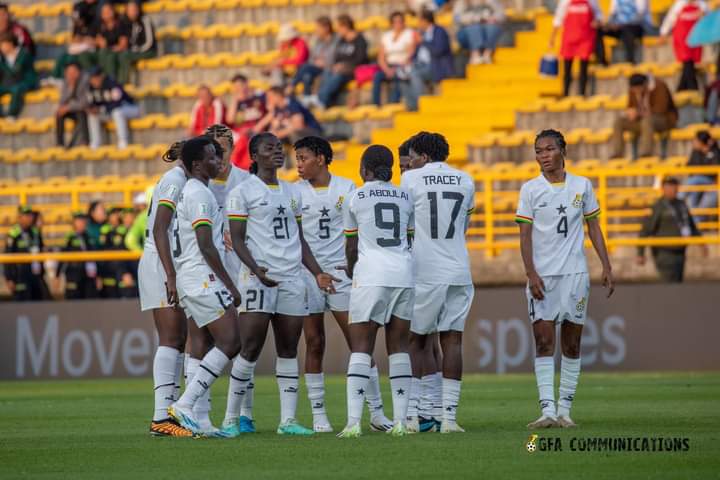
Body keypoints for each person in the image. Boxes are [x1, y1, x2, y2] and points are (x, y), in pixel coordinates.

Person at [220, 133, 336, 437]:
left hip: (292, 278)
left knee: (288, 349)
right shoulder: (243, 192)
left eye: (278, 148)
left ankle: (287, 421)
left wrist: (317, 272)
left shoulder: (291, 192)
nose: (277, 153)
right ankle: (231, 419)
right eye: (269, 148)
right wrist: (255, 269)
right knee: (250, 348)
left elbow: (299, 238)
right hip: (259, 278)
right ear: (254, 156)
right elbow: (238, 238)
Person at [515, 129, 615, 429]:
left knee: (571, 344)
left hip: (575, 275)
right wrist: (530, 272)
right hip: (543, 277)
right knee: (543, 341)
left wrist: (606, 265)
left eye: (548, 149)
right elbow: (524, 234)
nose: (543, 155)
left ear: (563, 151)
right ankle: (547, 410)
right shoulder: (530, 189)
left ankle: (564, 411)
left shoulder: (582, 186)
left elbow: (593, 226)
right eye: (538, 151)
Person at [293, 136, 393, 433]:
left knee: (358, 343)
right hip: (308, 275)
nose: (298, 164)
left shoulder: (347, 188)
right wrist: (313, 273)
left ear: (321, 158)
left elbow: (358, 232)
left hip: (341, 276)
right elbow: (294, 238)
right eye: (296, 158)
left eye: (303, 158)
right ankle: (319, 416)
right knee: (314, 343)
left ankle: (376, 413)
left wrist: (353, 268)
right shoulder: (293, 192)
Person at [337, 145, 415, 439]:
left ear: (365, 169)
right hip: (403, 274)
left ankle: (353, 423)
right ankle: (399, 422)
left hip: (370, 275)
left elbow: (352, 246)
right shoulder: (406, 196)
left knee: (361, 347)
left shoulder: (355, 196)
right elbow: (409, 238)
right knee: (398, 347)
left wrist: (350, 267)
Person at [168, 136, 244, 436]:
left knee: (201, 344)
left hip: (189, 275)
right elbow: (205, 245)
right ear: (197, 164)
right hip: (202, 277)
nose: (219, 160)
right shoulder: (200, 194)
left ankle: (200, 420)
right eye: (213, 156)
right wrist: (230, 284)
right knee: (231, 342)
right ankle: (185, 404)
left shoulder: (190, 191)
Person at [401, 132, 475, 434]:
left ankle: (415, 415)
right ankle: (448, 418)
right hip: (459, 267)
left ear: (424, 157)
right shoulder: (466, 179)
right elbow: (464, 226)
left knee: (416, 340)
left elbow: (405, 225)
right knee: (453, 340)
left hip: (425, 268)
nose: (410, 163)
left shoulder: (410, 180)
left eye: (413, 157)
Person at [186, 124, 250, 434]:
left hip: (238, 270)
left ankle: (238, 415)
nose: (218, 156)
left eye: (221, 149)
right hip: (209, 273)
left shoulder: (246, 182)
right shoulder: (198, 188)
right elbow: (203, 241)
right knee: (218, 340)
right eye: (212, 149)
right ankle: (193, 411)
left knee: (240, 342)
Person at [138, 141, 193, 437]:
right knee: (171, 337)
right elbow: (161, 227)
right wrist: (170, 274)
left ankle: (170, 413)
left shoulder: (183, 180)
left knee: (179, 338)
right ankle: (161, 417)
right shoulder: (175, 179)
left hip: (170, 261)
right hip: (161, 261)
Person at [637, 177, 704, 282]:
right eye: (669, 186)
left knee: (678, 283)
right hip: (664, 254)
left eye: (674, 185)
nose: (672, 189)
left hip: (680, 252)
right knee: (668, 284)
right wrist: (640, 253)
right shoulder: (657, 206)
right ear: (663, 188)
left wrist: (702, 243)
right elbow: (645, 230)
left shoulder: (681, 205)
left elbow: (691, 226)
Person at [610, 74, 678, 159]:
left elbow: (661, 109)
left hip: (663, 120)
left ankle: (646, 152)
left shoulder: (659, 86)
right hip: (642, 121)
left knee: (647, 121)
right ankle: (617, 153)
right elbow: (630, 106)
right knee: (619, 122)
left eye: (638, 89)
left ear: (645, 85)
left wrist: (639, 113)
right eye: (634, 90)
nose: (636, 91)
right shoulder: (632, 91)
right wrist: (631, 113)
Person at [550, 0, 603, 97]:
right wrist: (552, 38)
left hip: (585, 39)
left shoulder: (591, 1)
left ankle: (582, 93)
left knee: (583, 68)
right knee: (567, 68)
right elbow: (558, 18)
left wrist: (597, 22)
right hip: (570, 38)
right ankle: (565, 93)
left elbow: (599, 15)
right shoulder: (565, 1)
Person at [315, 14, 368, 108]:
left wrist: (344, 65)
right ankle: (325, 101)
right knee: (327, 71)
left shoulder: (360, 40)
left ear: (345, 27)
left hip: (353, 70)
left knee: (337, 76)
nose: (337, 30)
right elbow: (337, 57)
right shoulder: (342, 40)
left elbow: (361, 59)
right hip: (339, 68)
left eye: (339, 27)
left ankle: (321, 99)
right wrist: (336, 65)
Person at [407, 9, 454, 111]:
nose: (418, 24)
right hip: (419, 64)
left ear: (425, 21)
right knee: (402, 74)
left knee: (414, 74)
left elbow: (438, 51)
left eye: (419, 21)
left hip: (436, 65)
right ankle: (411, 105)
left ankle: (420, 105)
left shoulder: (439, 32)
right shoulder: (421, 33)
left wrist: (423, 42)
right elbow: (415, 53)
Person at [3, 206, 51, 301]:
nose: (30, 218)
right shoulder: (13, 234)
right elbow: (7, 257)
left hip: (35, 275)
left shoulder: (35, 232)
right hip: (20, 275)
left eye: (31, 215)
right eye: (27, 215)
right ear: (20, 217)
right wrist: (9, 278)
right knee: (22, 302)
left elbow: (41, 250)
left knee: (39, 301)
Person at [86, 67, 140, 149]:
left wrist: (100, 109)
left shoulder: (111, 83)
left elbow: (117, 103)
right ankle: (95, 143)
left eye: (96, 77)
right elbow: (91, 103)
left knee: (117, 112)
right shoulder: (90, 87)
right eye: (92, 78)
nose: (94, 80)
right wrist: (91, 109)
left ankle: (123, 141)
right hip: (110, 112)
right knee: (92, 115)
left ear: (102, 76)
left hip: (129, 108)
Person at [660, 0, 708, 91]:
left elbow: (709, 19)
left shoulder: (702, 5)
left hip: (696, 36)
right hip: (682, 36)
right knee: (687, 60)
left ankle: (682, 88)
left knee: (690, 62)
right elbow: (670, 18)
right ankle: (693, 87)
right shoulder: (679, 4)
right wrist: (664, 32)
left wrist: (703, 16)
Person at [372, 12, 416, 106]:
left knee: (398, 76)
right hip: (389, 65)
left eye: (400, 21)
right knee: (377, 77)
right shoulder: (386, 36)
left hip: (402, 65)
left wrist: (398, 67)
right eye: (395, 22)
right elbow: (381, 57)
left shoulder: (408, 34)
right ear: (392, 23)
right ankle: (376, 104)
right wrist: (387, 70)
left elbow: (411, 53)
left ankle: (393, 103)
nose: (398, 24)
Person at [289, 16, 337, 100]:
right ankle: (307, 99)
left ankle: (292, 85)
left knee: (304, 67)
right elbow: (312, 57)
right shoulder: (318, 41)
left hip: (329, 67)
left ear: (326, 28)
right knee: (307, 76)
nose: (316, 31)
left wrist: (325, 62)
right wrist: (315, 62)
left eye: (318, 28)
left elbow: (337, 56)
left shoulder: (336, 41)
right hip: (315, 67)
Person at [254, 86, 322, 144]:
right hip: (298, 134)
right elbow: (273, 128)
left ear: (277, 96)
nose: (268, 100)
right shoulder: (278, 108)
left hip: (312, 132)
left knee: (293, 133)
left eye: (270, 97)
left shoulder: (291, 103)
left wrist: (278, 134)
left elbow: (298, 125)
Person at [226, 74, 266, 170]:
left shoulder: (259, 96)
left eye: (241, 86)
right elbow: (230, 119)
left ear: (246, 84)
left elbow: (271, 113)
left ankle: (238, 167)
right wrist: (235, 100)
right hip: (240, 131)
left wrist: (257, 128)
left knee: (246, 139)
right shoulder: (237, 102)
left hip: (256, 129)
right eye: (236, 87)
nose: (239, 89)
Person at [56, 212, 98, 300]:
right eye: (79, 221)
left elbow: (94, 256)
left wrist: (98, 275)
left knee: (89, 299)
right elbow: (62, 257)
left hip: (88, 274)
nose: (82, 223)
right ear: (74, 222)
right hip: (73, 273)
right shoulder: (69, 238)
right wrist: (57, 275)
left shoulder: (88, 237)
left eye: (83, 221)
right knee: (73, 299)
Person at [595, 0, 651, 65]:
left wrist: (621, 25)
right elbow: (613, 13)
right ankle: (602, 61)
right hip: (620, 27)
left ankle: (630, 61)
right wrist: (609, 25)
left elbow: (641, 15)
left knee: (627, 29)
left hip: (638, 27)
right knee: (599, 30)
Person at [454, 0, 505, 65]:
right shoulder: (462, 2)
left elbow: (501, 15)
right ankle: (475, 54)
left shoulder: (491, 1)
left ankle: (487, 54)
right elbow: (456, 18)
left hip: (486, 32)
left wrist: (492, 18)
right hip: (466, 34)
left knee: (493, 28)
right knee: (474, 27)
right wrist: (473, 18)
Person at [0, 32, 38, 119]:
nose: (1, 48)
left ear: (9, 44)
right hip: (7, 85)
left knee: (17, 89)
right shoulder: (3, 58)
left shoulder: (24, 55)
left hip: (23, 83)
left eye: (2, 45)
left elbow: (27, 74)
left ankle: (11, 114)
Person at [683, 130, 719, 217]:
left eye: (696, 140)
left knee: (696, 180)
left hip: (712, 184)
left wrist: (707, 153)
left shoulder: (715, 152)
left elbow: (713, 172)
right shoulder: (695, 152)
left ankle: (680, 195)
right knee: (692, 197)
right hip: (697, 184)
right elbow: (689, 166)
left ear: (702, 141)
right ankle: (695, 224)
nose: (693, 142)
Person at [120, 0, 156, 84]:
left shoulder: (145, 19)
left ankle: (123, 83)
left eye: (134, 9)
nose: (133, 12)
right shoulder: (125, 22)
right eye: (130, 10)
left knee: (125, 56)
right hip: (134, 51)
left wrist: (135, 49)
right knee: (118, 55)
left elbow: (149, 42)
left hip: (148, 51)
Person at [56, 62, 90, 148]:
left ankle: (85, 141)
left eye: (73, 72)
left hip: (85, 110)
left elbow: (84, 102)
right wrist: (71, 88)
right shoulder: (66, 82)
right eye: (68, 73)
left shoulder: (85, 80)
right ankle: (60, 144)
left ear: (79, 72)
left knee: (81, 113)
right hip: (73, 109)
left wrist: (68, 107)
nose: (70, 75)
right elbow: (62, 101)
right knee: (59, 113)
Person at [95, 3, 130, 83]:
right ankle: (103, 78)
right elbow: (99, 41)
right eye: (104, 12)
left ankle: (113, 81)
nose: (106, 14)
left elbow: (123, 44)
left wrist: (113, 47)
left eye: (108, 11)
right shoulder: (101, 25)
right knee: (103, 52)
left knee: (111, 57)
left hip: (118, 50)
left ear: (113, 11)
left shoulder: (120, 23)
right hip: (107, 50)